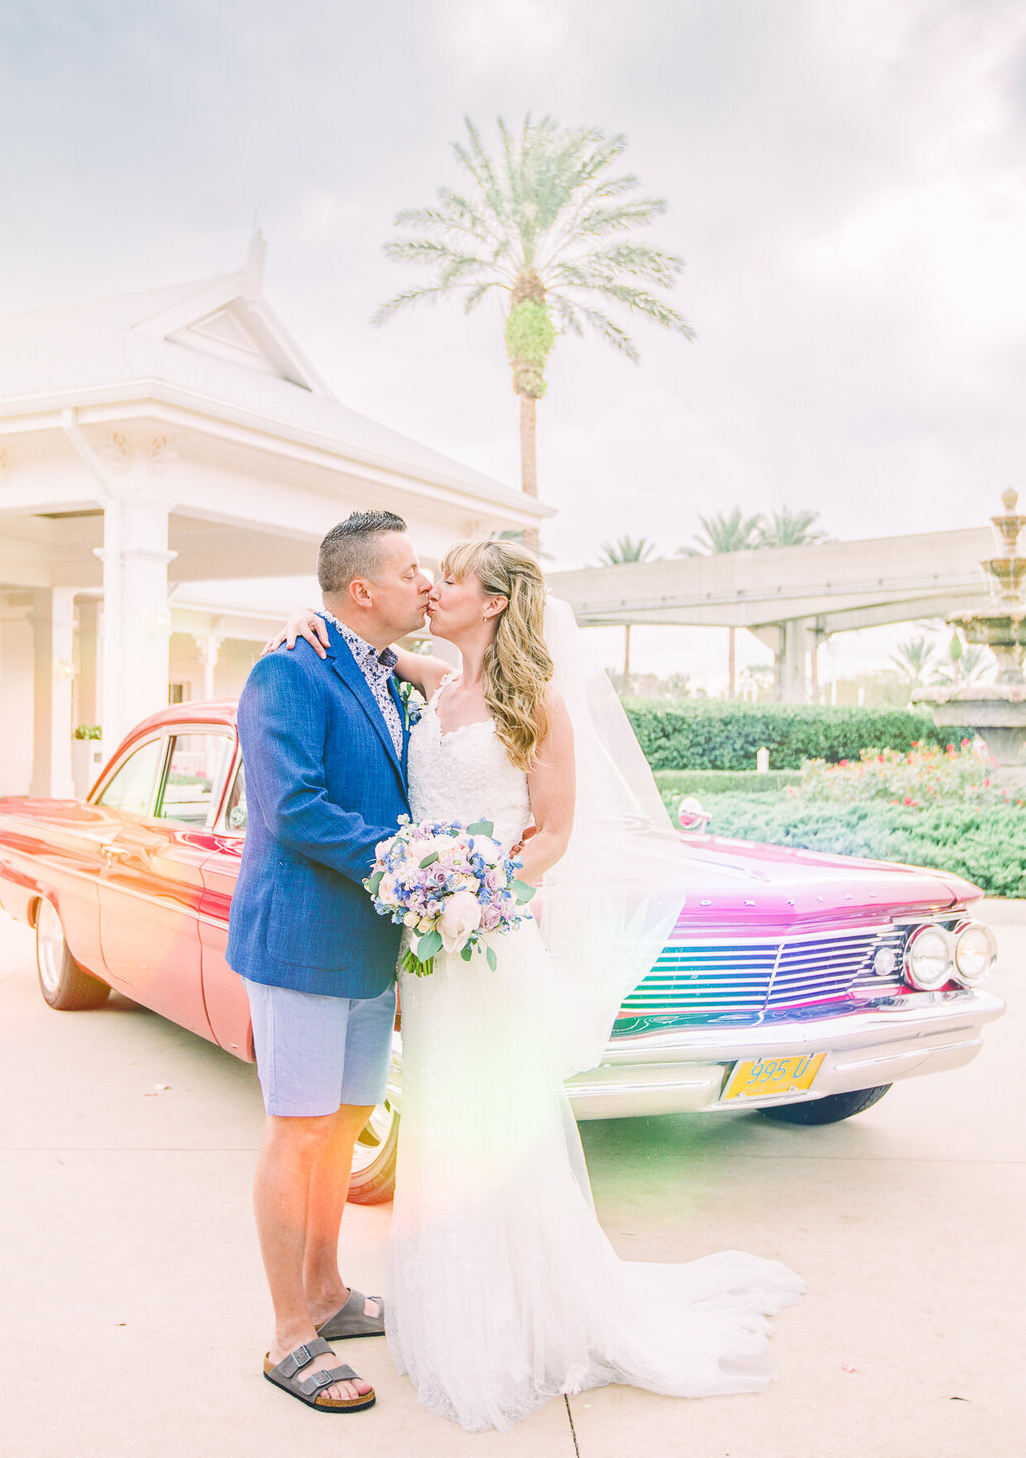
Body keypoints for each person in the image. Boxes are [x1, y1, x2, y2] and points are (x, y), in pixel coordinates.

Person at [267, 536, 804, 1432]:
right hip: (428, 951)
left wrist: (479, 896)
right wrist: (299, 622)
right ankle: (451, 1308)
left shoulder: (535, 701)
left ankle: (523, 1318)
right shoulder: (434, 682)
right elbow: (346, 639)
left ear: (498, 603)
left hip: (487, 940)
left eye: (455, 578)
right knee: (440, 1124)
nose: (435, 586)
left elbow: (552, 833)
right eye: (426, 573)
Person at [227, 510, 434, 1413]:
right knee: (300, 1128)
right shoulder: (287, 669)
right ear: (363, 591)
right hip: (302, 940)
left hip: (365, 947)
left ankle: (328, 1292)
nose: (425, 584)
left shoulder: (386, 672)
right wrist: (405, 868)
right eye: (411, 571)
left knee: (346, 1125)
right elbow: (295, 809)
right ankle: (288, 1337)